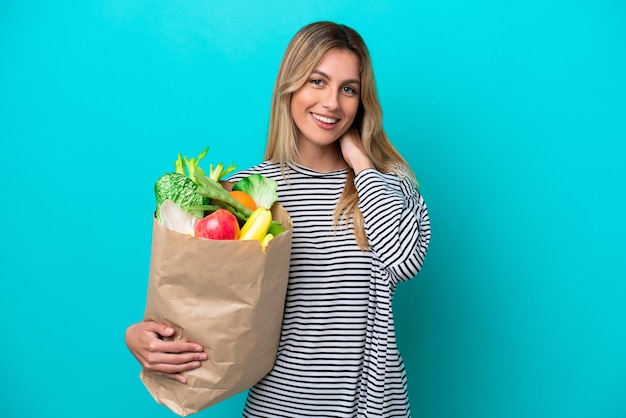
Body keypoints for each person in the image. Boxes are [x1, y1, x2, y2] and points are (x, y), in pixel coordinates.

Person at [125, 21, 431, 417]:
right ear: (291, 85)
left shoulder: (389, 184)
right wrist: (138, 335)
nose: (332, 103)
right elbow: (201, 299)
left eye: (348, 89)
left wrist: (360, 162)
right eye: (317, 82)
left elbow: (403, 260)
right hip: (278, 408)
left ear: (362, 101)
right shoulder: (242, 196)